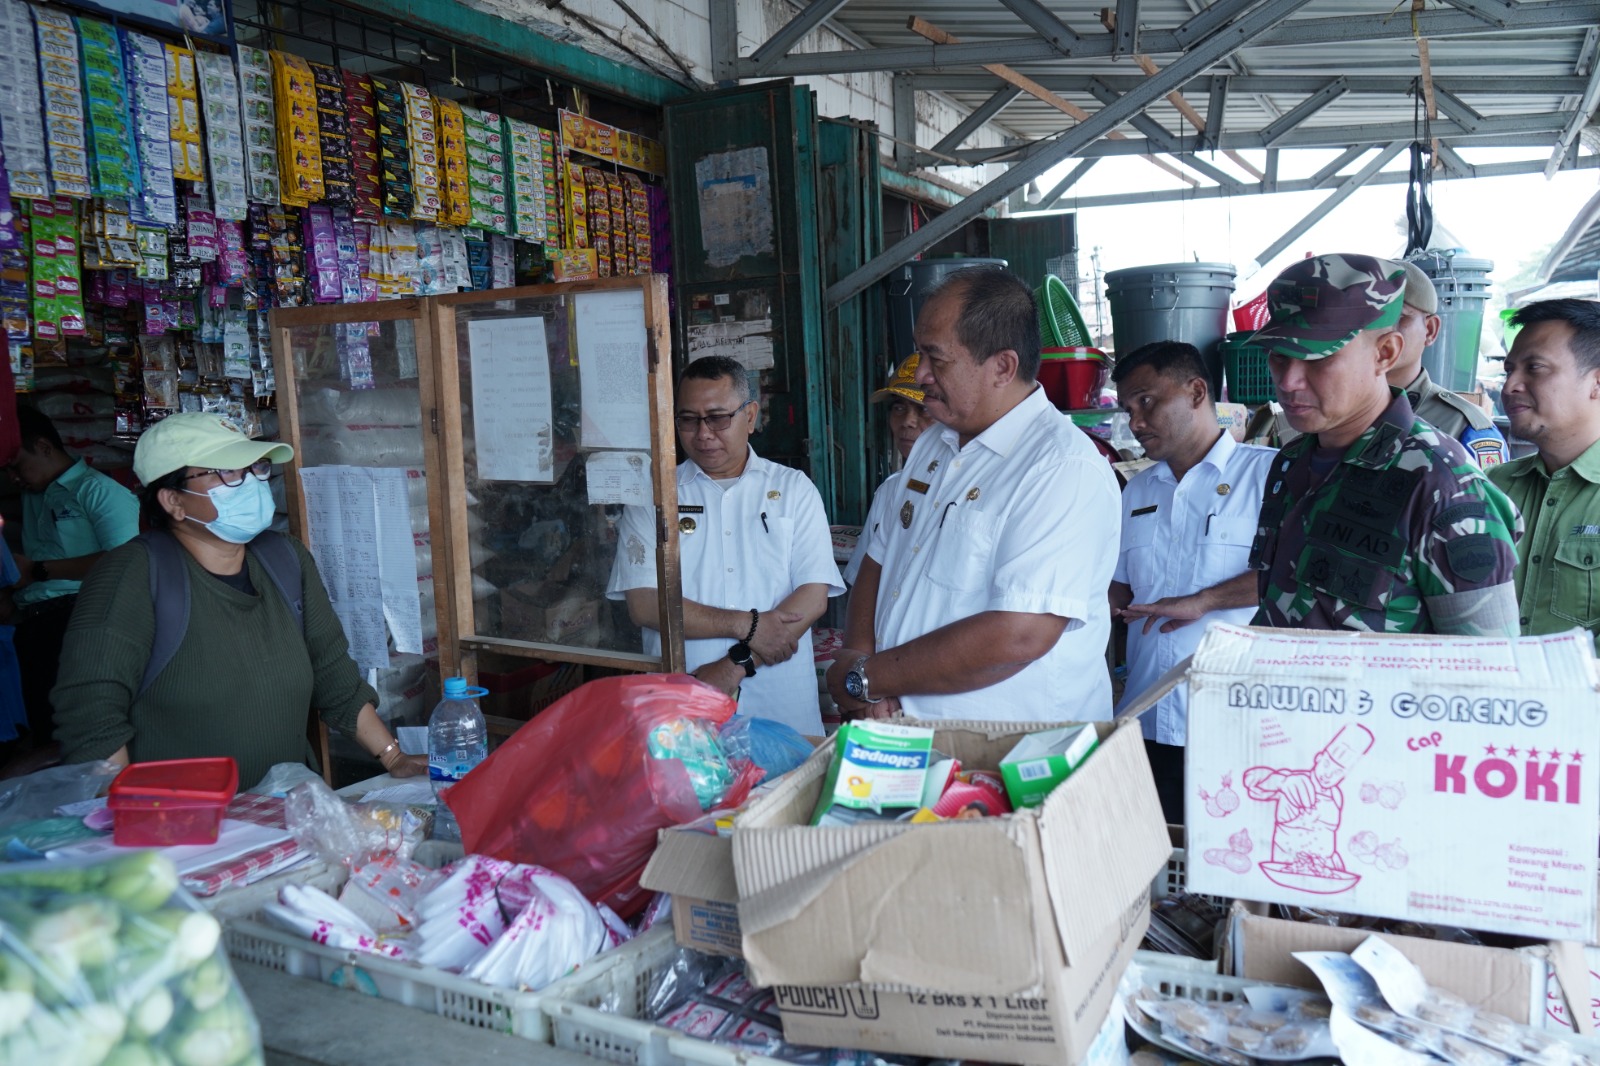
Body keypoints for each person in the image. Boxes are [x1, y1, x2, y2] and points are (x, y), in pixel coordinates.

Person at [52, 413, 425, 788]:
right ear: (173, 501)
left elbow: (333, 673)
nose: (250, 483)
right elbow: (92, 715)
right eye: (227, 472)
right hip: (184, 830)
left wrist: (394, 758)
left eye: (255, 468)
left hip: (285, 814)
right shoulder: (131, 575)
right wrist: (129, 822)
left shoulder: (285, 559)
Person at [826, 266, 1121, 722]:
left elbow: (1018, 634)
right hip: (909, 733)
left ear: (1002, 367)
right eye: (919, 353)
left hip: (1013, 752)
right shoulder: (934, 442)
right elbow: (881, 559)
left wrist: (872, 678)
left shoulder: (1062, 467)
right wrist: (856, 657)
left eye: (936, 358)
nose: (921, 374)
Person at [1246, 253, 1521, 635]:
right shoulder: (1292, 462)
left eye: (1318, 358)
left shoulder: (1441, 483)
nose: (1289, 381)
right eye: (1279, 356)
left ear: (1385, 352)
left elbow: (1487, 670)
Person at [607, 356, 843, 735]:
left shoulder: (794, 489)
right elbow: (644, 604)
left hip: (781, 705)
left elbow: (813, 597)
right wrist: (747, 625)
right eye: (688, 419)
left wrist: (735, 664)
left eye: (717, 417)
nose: (703, 434)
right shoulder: (654, 496)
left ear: (750, 416)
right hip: (683, 706)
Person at [1108, 341, 1276, 823]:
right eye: (1127, 409)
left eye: (1146, 402)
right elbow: (1119, 589)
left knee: (1229, 868)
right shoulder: (1137, 489)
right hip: (1145, 717)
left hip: (1233, 723)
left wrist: (1204, 601)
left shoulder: (1265, 476)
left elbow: (1291, 576)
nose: (1136, 422)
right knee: (1157, 867)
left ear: (1197, 391)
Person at [1244, 262, 1507, 469]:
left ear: (1429, 329)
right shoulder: (1301, 427)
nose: (1382, 328)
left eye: (1399, 318)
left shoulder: (1458, 440)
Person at [8, 406, 139, 748]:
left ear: (44, 447)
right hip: (36, 623)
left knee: (70, 735)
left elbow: (125, 562)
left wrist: (37, 571)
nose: (13, 477)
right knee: (44, 728)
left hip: (77, 618)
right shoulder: (33, 495)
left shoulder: (98, 492)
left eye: (17, 465)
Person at [1486, 299, 1600, 647]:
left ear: (1596, 382)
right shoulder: (1491, 489)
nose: (1509, 387)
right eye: (1509, 370)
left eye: (1534, 368)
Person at [845, 353, 932, 585]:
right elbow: (861, 580)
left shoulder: (967, 490)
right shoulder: (890, 490)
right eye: (899, 408)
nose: (908, 421)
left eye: (923, 409)